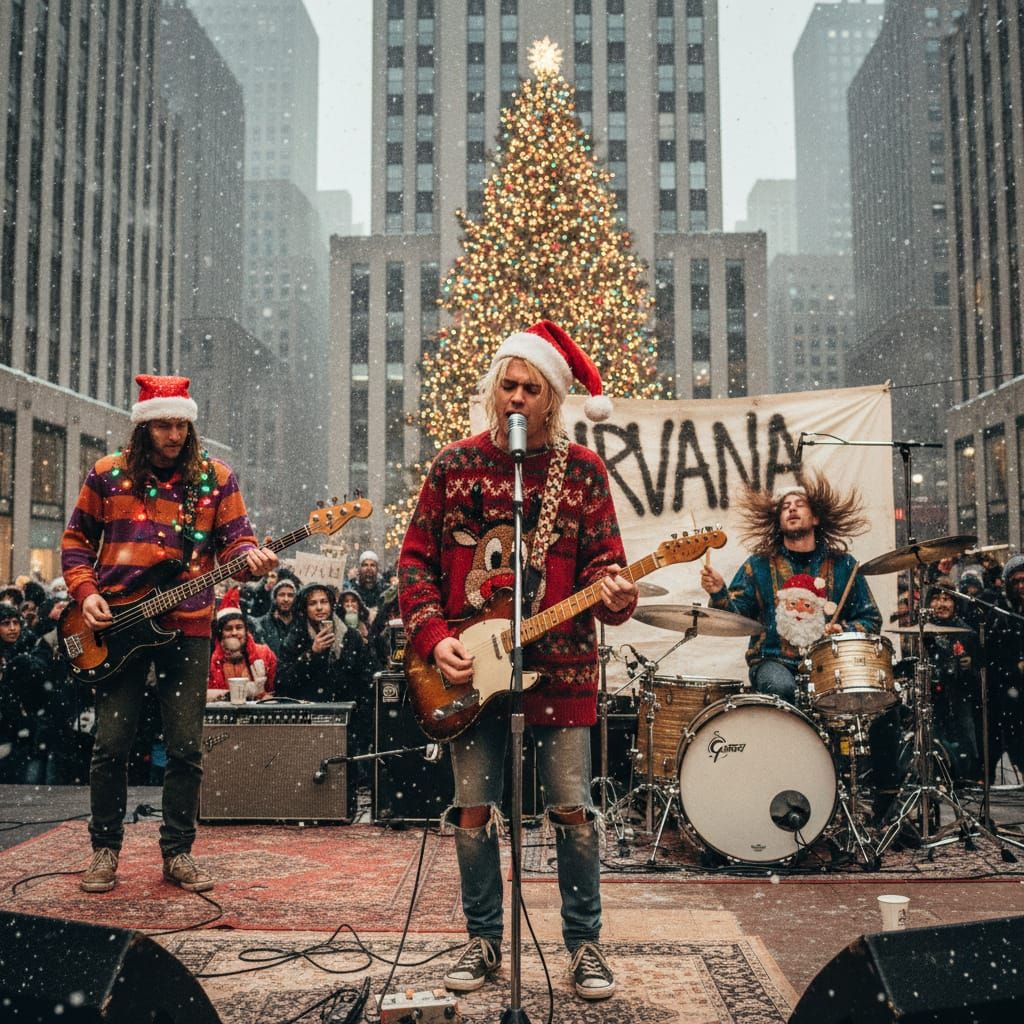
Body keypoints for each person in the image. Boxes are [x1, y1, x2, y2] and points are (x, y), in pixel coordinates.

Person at [398, 320, 637, 1001]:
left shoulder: (582, 472)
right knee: (473, 809)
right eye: (508, 384)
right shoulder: (451, 467)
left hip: (562, 667)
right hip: (471, 671)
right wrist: (432, 635)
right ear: (492, 390)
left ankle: (584, 945)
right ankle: (481, 941)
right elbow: (414, 560)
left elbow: (605, 568)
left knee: (572, 809)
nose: (517, 397)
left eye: (531, 388)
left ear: (552, 400)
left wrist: (617, 592)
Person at [61, 374, 278, 894]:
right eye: (164, 424)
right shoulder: (108, 475)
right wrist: (85, 592)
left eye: (182, 424)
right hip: (116, 628)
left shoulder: (215, 478)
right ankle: (105, 849)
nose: (175, 434)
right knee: (110, 746)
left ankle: (178, 852)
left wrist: (252, 562)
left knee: (185, 748)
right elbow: (73, 540)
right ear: (143, 427)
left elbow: (236, 544)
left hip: (188, 628)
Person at [699, 476, 901, 825]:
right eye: (784, 507)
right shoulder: (758, 565)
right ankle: (788, 786)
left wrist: (844, 629)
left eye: (799, 504)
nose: (791, 509)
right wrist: (719, 592)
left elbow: (870, 619)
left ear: (816, 517)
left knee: (885, 706)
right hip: (774, 660)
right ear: (778, 521)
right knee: (781, 691)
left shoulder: (844, 566)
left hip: (827, 668)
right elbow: (734, 616)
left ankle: (878, 801)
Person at [921, 588, 981, 783]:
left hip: (959, 693)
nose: (941, 604)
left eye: (947, 599)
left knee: (964, 731)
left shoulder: (967, 632)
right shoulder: (923, 631)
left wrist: (970, 664)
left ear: (955, 604)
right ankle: (936, 772)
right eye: (936, 599)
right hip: (931, 692)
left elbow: (979, 667)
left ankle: (966, 773)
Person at [984, 554, 1024, 783]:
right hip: (1007, 695)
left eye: (1023, 581)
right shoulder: (1000, 614)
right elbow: (992, 655)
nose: (1020, 586)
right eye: (1015, 582)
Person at [206, 589, 277, 701]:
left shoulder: (264, 654)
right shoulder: (211, 660)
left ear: (245, 630)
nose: (234, 633)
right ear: (221, 634)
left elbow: (273, 689)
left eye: (239, 627)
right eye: (228, 629)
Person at [251, 576, 299, 657]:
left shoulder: (300, 624)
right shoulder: (261, 625)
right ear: (275, 598)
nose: (286, 599)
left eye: (290, 595)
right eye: (282, 595)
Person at [350, 550, 388, 618]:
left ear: (377, 569)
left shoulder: (385, 590)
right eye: (365, 565)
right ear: (360, 569)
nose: (369, 568)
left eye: (372, 565)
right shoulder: (353, 588)